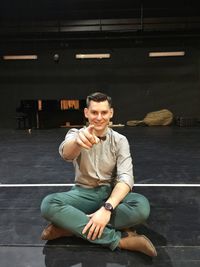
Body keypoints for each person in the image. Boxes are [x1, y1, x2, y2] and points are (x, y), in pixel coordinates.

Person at [40, 92, 157, 257]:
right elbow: (66, 153)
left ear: (111, 113)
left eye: (103, 112)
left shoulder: (120, 140)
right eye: (94, 112)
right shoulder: (76, 134)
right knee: (49, 204)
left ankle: (70, 228)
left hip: (110, 194)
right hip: (82, 193)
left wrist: (107, 208)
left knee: (141, 206)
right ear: (86, 113)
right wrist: (77, 142)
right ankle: (121, 241)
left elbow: (126, 178)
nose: (99, 117)